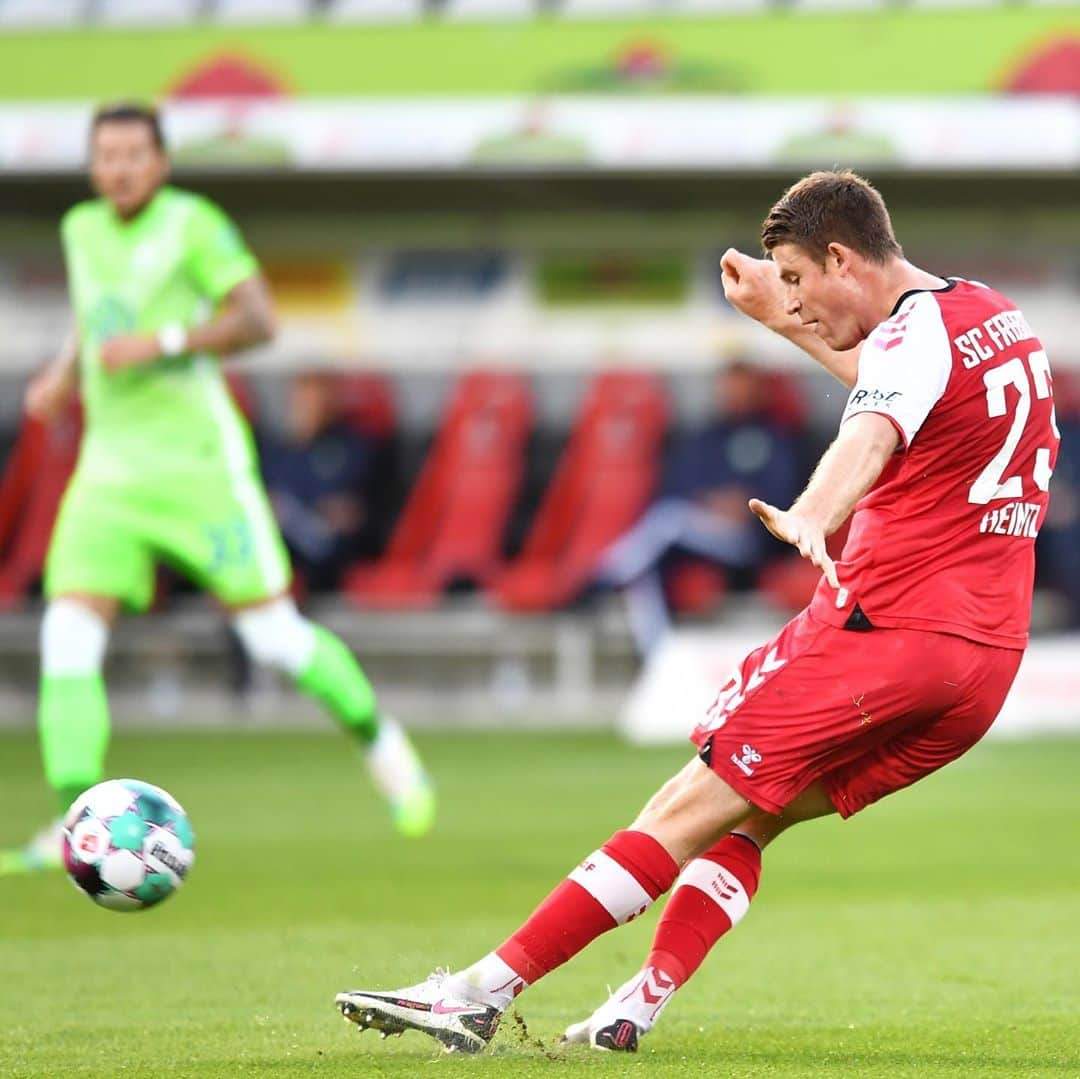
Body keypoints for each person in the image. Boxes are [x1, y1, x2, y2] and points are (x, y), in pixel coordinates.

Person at [333, 170, 1059, 1053]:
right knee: (752, 814)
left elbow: (867, 430)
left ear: (841, 256)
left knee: (686, 801)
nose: (794, 301)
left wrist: (812, 513)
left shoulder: (910, 340)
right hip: (984, 664)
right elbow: (902, 385)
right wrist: (776, 318)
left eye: (796, 280)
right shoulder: (991, 314)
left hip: (887, 630)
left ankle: (481, 990)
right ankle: (640, 998)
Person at [0, 103, 435, 875]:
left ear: (161, 163)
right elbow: (92, 318)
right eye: (107, 155)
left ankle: (385, 746)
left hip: (200, 467)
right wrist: (62, 376)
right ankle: (76, 826)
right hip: (109, 471)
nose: (121, 168)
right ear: (93, 165)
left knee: (274, 637)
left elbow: (258, 319)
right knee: (67, 635)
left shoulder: (192, 224)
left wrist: (165, 341)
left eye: (135, 154)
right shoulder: (81, 229)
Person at [595, 359, 801, 656]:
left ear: (758, 390)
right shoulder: (705, 438)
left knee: (668, 524)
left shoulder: (776, 439)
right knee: (647, 572)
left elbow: (786, 496)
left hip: (752, 541)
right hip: (699, 535)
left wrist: (743, 506)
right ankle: (658, 656)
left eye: (742, 386)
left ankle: (607, 574)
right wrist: (710, 503)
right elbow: (677, 488)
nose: (734, 394)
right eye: (729, 386)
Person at [260, 370, 378, 592]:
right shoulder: (278, 451)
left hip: (328, 558)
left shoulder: (352, 447)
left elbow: (345, 509)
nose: (305, 404)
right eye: (300, 396)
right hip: (281, 546)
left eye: (313, 395)